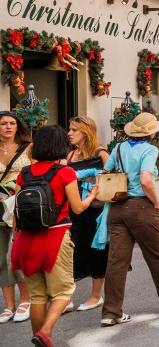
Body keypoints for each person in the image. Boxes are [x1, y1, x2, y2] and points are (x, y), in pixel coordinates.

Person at [10, 126, 100, 346]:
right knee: (64, 291)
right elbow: (78, 208)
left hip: (26, 239)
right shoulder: (65, 172)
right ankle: (45, 333)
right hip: (55, 237)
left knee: (38, 295)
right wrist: (93, 195)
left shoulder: (25, 173)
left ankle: (40, 339)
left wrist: (15, 237)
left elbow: (16, 210)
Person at [101, 112, 159, 327]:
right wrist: (156, 201)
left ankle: (111, 312)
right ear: (152, 132)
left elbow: (106, 171)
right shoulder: (150, 149)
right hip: (140, 205)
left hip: (116, 207)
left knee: (116, 262)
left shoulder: (119, 147)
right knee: (155, 255)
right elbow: (145, 179)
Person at [65, 117, 110, 312]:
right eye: (70, 129)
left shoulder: (100, 153)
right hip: (73, 210)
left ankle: (95, 296)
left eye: (74, 130)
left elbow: (111, 180)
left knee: (96, 252)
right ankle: (66, 297)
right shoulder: (70, 155)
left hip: (95, 211)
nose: (70, 133)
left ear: (86, 132)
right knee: (71, 252)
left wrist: (86, 178)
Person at [0, 110, 32, 324]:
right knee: (1, 257)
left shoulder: (27, 148)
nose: (8, 127)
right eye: (3, 123)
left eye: (12, 123)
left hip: (22, 205)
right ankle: (9, 305)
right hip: (0, 208)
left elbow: (38, 171)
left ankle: (26, 301)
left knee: (18, 255)